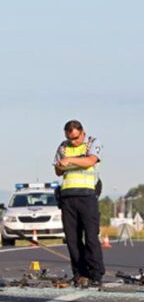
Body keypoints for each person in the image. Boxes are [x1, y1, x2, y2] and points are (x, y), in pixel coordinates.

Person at [53, 119, 105, 288]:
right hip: (68, 196)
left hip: (87, 195)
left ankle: (96, 273)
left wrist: (70, 160)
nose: (73, 142)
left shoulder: (92, 142)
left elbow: (90, 160)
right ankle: (80, 273)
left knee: (91, 237)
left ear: (82, 133)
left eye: (76, 138)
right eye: (70, 138)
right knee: (72, 239)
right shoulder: (63, 147)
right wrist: (62, 164)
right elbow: (58, 171)